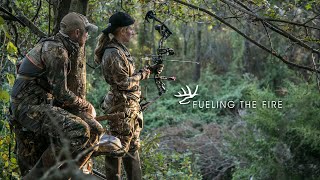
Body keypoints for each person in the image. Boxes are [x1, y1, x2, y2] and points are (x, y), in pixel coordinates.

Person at [10, 12, 104, 179]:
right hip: (27, 107)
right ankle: (37, 177)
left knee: (96, 130)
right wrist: (86, 105)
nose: (88, 35)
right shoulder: (57, 51)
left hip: (42, 104)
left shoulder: (61, 47)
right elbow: (61, 93)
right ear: (76, 33)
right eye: (86, 31)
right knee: (79, 129)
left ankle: (64, 175)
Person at [94, 11, 163, 180]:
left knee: (131, 148)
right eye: (131, 29)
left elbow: (126, 77)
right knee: (115, 149)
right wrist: (141, 76)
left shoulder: (120, 50)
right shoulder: (113, 53)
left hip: (129, 109)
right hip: (120, 109)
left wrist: (150, 70)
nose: (133, 32)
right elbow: (122, 83)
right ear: (123, 30)